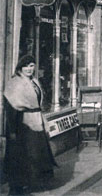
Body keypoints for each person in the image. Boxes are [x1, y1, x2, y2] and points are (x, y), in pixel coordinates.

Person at [4, 55, 57, 195]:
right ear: (20, 67)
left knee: (34, 154)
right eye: (26, 66)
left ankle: (29, 184)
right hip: (22, 123)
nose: (29, 69)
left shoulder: (34, 81)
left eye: (32, 65)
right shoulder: (14, 83)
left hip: (36, 120)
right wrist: (12, 130)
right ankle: (16, 188)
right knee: (21, 155)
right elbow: (10, 108)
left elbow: (38, 101)